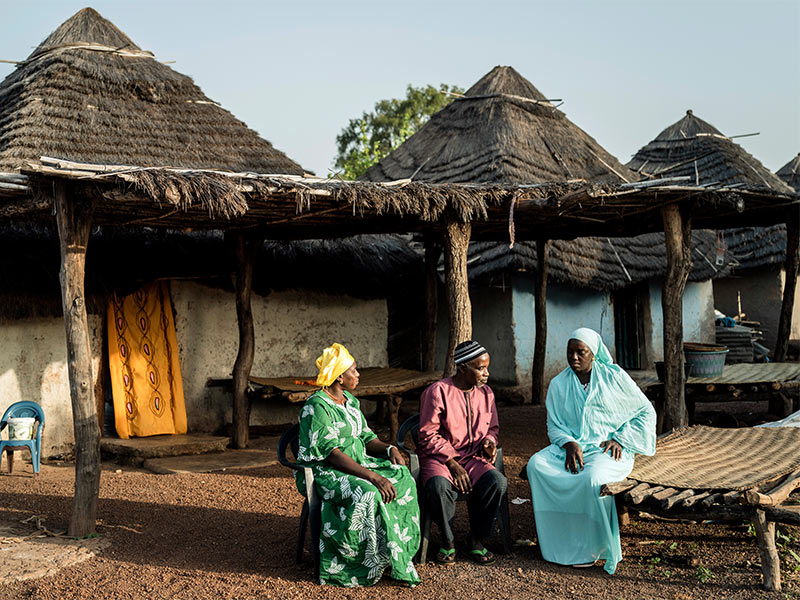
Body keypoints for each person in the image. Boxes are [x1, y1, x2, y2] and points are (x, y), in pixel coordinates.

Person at [526, 327, 656, 574]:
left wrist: (621, 438)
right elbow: (554, 425)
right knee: (536, 464)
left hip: (604, 448)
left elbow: (645, 412)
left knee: (593, 477)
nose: (574, 357)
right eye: (570, 352)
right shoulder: (558, 384)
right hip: (571, 447)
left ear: (594, 353)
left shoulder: (615, 377)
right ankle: (558, 542)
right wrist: (569, 443)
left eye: (581, 352)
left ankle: (593, 547)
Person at [295, 343, 420, 587]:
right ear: (340, 376)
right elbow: (331, 454)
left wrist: (388, 448)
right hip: (328, 472)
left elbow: (366, 437)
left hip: (359, 463)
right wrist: (373, 476)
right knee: (369, 491)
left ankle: (393, 552)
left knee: (402, 477)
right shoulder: (317, 406)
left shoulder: (350, 401)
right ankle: (355, 565)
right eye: (354, 370)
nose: (358, 375)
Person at [417, 340, 506, 565]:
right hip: (440, 457)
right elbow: (428, 434)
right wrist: (452, 462)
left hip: (473, 457)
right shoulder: (437, 392)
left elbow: (493, 428)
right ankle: (447, 541)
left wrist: (489, 442)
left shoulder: (487, 394)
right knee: (438, 487)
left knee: (497, 481)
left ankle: (476, 540)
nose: (486, 373)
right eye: (480, 368)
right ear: (463, 367)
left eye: (487, 367)